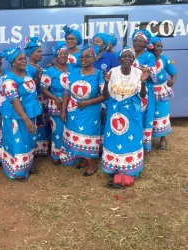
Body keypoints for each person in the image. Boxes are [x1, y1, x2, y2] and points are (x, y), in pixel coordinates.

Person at [102, 47, 150, 177]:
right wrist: (106, 83)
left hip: (132, 112)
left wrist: (143, 81)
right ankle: (114, 167)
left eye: (130, 57)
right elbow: (105, 95)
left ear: (134, 60)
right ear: (119, 59)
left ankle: (130, 169)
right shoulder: (113, 72)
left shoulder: (138, 73)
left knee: (131, 139)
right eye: (125, 56)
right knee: (114, 138)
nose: (127, 59)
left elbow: (142, 95)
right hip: (115, 111)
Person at [60, 45, 107, 176]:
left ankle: (92, 164)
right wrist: (63, 110)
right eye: (81, 57)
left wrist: (87, 102)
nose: (83, 59)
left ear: (95, 58)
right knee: (76, 136)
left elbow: (105, 95)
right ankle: (83, 159)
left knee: (87, 136)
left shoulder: (99, 75)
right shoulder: (74, 72)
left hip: (90, 111)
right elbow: (67, 92)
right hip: (73, 110)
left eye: (87, 56)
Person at [0, 47, 41, 182]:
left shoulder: (27, 72)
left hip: (30, 112)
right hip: (16, 115)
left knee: (30, 139)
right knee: (18, 142)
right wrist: (27, 120)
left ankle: (28, 164)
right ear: (13, 62)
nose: (24, 61)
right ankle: (18, 171)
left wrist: (38, 78)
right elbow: (14, 101)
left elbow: (30, 88)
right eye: (20, 59)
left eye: (24, 58)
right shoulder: (8, 79)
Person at [40, 42, 71, 165]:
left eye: (66, 54)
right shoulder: (50, 71)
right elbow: (43, 88)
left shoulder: (72, 68)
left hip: (70, 104)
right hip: (56, 103)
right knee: (57, 130)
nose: (64, 56)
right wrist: (56, 98)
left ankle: (68, 154)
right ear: (56, 56)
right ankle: (56, 155)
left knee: (69, 129)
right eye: (61, 54)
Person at [148, 36, 177, 149]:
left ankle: (163, 138)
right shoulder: (146, 58)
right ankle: (147, 138)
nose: (159, 48)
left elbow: (173, 72)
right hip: (148, 90)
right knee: (148, 113)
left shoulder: (164, 59)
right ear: (151, 46)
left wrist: (173, 80)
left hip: (161, 91)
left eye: (161, 46)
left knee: (162, 113)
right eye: (157, 46)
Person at [24, 36, 49, 156]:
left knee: (43, 123)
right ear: (30, 53)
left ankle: (42, 148)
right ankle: (35, 149)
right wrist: (38, 79)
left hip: (43, 99)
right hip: (34, 100)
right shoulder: (27, 68)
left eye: (41, 52)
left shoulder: (39, 67)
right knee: (37, 123)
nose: (41, 54)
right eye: (38, 52)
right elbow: (29, 86)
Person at [131, 29, 156, 152]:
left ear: (146, 43)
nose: (137, 43)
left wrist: (143, 71)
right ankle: (131, 141)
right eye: (135, 40)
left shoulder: (149, 56)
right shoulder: (128, 53)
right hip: (129, 89)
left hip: (144, 89)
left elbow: (152, 74)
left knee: (142, 116)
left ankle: (141, 146)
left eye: (141, 41)